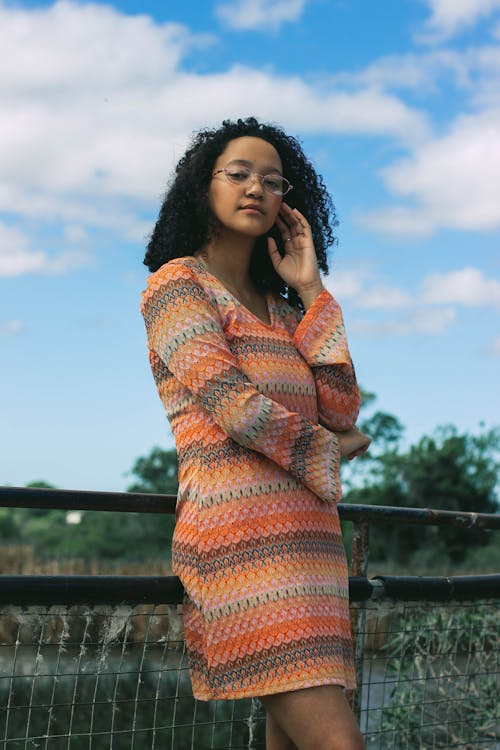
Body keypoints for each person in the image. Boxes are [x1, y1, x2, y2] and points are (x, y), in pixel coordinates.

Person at [141, 117, 370, 750]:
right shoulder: (177, 286)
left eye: (272, 180)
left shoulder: (287, 310)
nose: (255, 189)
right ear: (202, 188)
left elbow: (342, 407)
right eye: (238, 174)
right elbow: (234, 408)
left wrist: (312, 289)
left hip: (311, 544)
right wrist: (331, 452)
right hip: (244, 548)